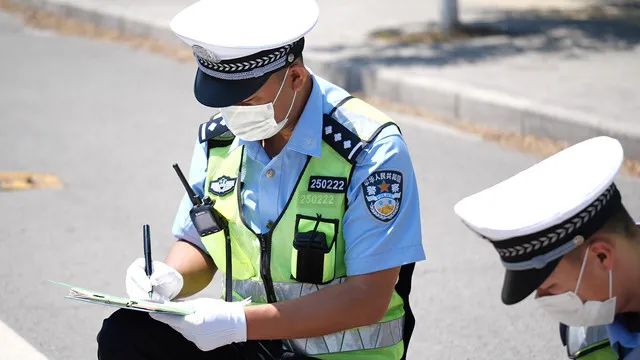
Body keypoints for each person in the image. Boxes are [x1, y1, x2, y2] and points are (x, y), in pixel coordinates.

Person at [96, 0, 426, 359]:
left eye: (249, 101)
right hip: (252, 345)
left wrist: (241, 323)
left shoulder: (368, 149)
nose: (236, 117)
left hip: (336, 355)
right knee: (128, 332)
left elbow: (367, 298)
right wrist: (168, 278)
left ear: (295, 78)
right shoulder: (220, 141)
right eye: (227, 104)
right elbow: (202, 242)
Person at [453, 136, 640, 360]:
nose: (546, 300)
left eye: (550, 287)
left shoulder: (595, 310)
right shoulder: (590, 323)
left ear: (601, 256)